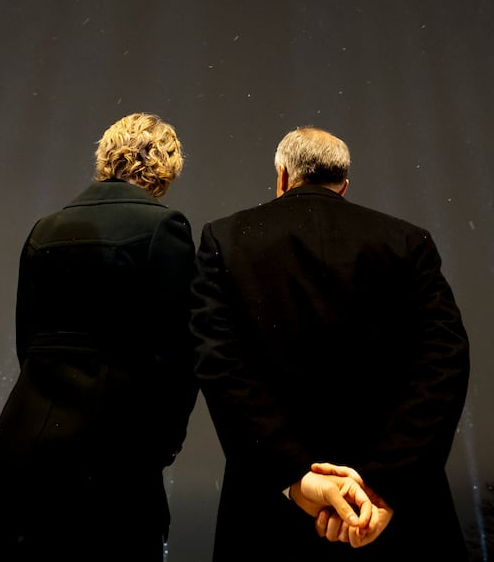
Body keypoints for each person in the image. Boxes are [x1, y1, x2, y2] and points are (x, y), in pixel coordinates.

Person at [192, 126, 470, 559]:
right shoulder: (408, 241)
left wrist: (294, 475)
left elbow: (219, 365)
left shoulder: (224, 240)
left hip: (268, 517)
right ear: (343, 185)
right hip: (395, 519)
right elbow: (445, 362)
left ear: (282, 175)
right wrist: (384, 484)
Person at [0, 113, 197, 561]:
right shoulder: (163, 228)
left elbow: (25, 340)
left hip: (24, 432)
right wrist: (163, 445)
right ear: (166, 166)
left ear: (105, 157)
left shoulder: (45, 228)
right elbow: (178, 354)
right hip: (113, 443)